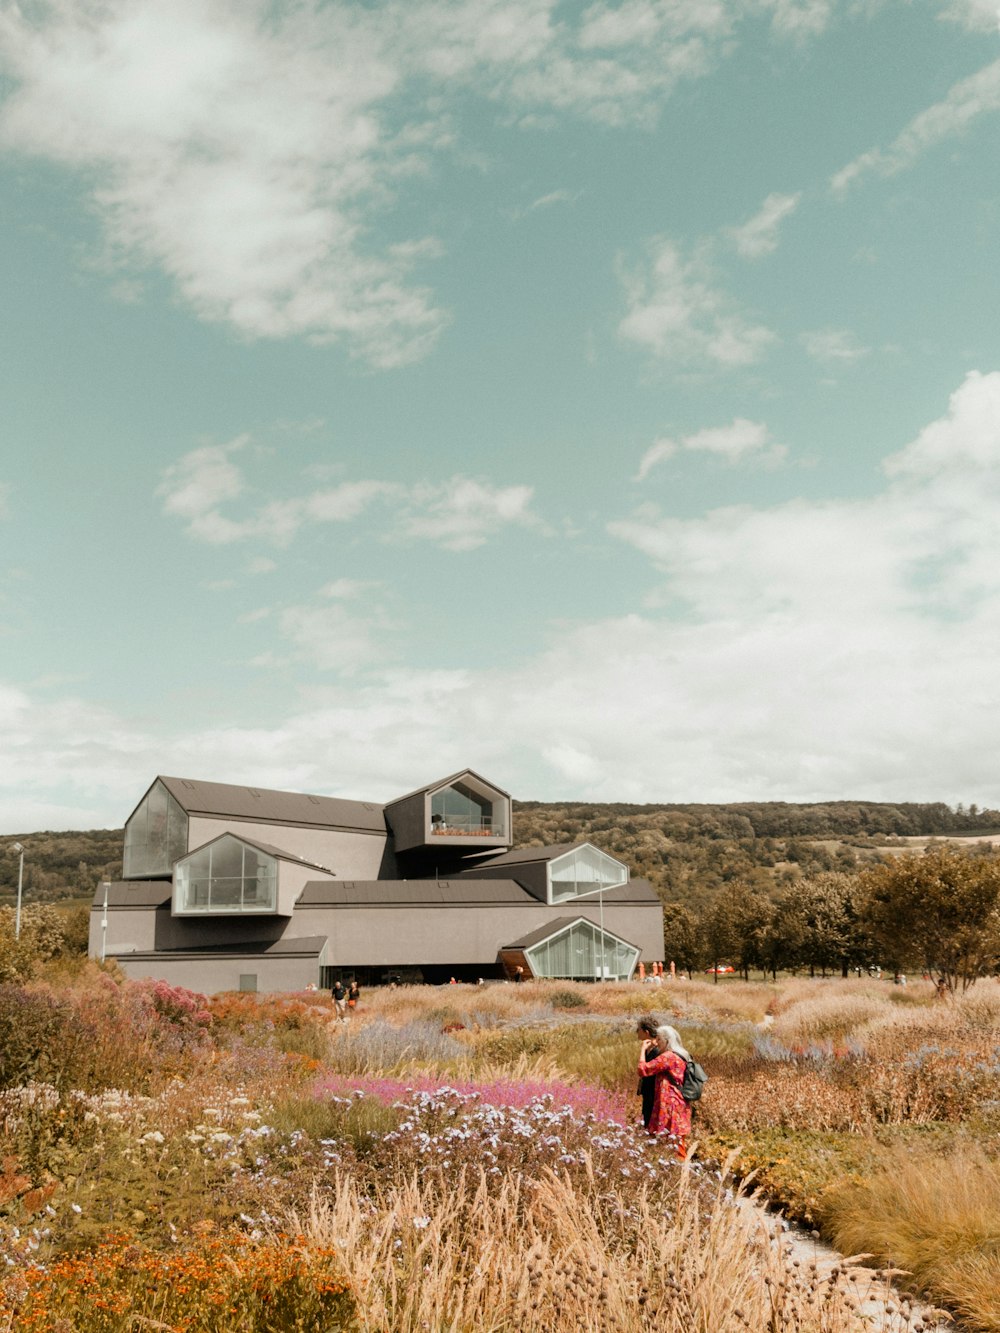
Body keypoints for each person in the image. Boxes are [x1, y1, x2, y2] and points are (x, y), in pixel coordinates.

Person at [637, 1023, 693, 1158]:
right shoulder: (682, 1054)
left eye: (660, 1040)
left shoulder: (668, 1057)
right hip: (679, 1102)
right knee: (677, 1140)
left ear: (667, 1041)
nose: (657, 1043)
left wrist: (643, 1049)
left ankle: (680, 1171)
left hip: (669, 1103)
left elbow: (643, 1069)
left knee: (672, 1142)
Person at [635, 1017, 662, 1130]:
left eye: (639, 1029)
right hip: (648, 1092)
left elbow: (643, 1070)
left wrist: (642, 1049)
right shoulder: (649, 1049)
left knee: (651, 1121)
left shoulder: (657, 1051)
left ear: (646, 1032)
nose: (637, 1032)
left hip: (654, 1093)